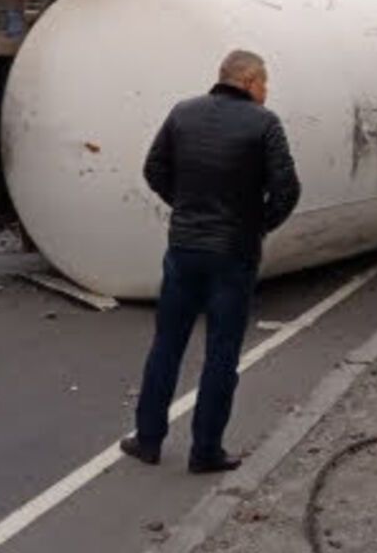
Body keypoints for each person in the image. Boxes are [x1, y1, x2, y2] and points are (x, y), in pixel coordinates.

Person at [120, 49, 302, 474]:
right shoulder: (265, 123)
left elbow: (153, 169)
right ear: (250, 80)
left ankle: (147, 440)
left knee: (167, 344)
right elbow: (288, 189)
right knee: (221, 353)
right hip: (233, 255)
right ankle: (205, 451)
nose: (267, 90)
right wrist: (257, 225)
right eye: (265, 82)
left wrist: (183, 205)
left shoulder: (183, 114)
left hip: (184, 249)